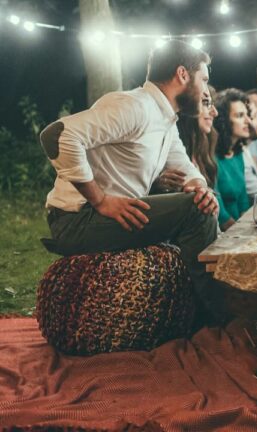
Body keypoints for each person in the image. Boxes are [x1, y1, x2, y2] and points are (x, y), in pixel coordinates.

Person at [38, 40, 228, 324]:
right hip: (77, 219)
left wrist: (201, 189)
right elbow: (57, 135)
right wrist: (100, 200)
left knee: (200, 203)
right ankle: (220, 316)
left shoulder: (165, 120)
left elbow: (186, 169)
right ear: (182, 75)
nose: (204, 91)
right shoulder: (135, 106)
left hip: (108, 217)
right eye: (204, 79)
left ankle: (203, 306)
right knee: (195, 212)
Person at [213, 88, 257, 231]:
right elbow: (221, 216)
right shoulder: (211, 157)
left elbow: (243, 204)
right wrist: (242, 234)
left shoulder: (238, 153)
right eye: (240, 116)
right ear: (224, 121)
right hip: (223, 237)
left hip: (241, 229)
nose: (248, 121)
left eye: (247, 114)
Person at [153, 85, 219, 192]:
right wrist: (155, 184)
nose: (215, 112)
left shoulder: (206, 146)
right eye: (206, 103)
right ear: (187, 106)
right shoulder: (168, 146)